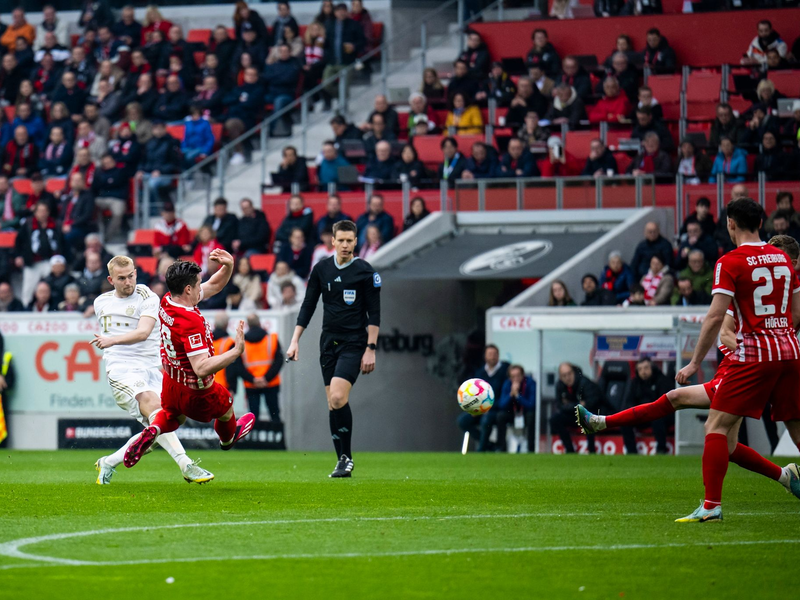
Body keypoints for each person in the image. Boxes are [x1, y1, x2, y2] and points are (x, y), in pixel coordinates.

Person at [579, 235, 800, 493]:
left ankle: (713, 505)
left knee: (717, 427)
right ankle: (785, 477)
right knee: (709, 427)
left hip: (763, 366)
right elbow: (726, 330)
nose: (766, 261)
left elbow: (789, 317)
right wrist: (748, 349)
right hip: (748, 365)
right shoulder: (749, 291)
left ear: (791, 262)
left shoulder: (781, 289)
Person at [671, 199, 800, 521]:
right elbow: (797, 313)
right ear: (760, 222)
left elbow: (715, 317)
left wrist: (693, 363)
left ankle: (711, 507)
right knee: (798, 433)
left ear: (731, 224)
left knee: (716, 426)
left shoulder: (730, 261)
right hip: (790, 351)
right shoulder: (783, 258)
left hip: (756, 356)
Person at [122, 252, 257, 469]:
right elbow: (201, 368)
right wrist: (235, 352)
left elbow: (214, 285)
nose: (201, 287)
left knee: (173, 417)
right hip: (197, 391)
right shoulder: (190, 321)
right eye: (198, 284)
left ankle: (153, 429)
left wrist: (229, 266)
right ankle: (228, 439)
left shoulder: (167, 300)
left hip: (171, 382)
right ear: (187, 289)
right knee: (227, 411)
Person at [90, 255, 213, 484]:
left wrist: (112, 340)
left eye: (131, 276)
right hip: (121, 369)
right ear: (110, 279)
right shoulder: (101, 303)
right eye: (121, 278)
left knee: (172, 420)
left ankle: (108, 462)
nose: (128, 282)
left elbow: (144, 332)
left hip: (153, 369)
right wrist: (113, 345)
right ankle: (187, 465)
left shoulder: (147, 295)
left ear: (136, 272)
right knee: (156, 409)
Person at [286, 220, 381, 477]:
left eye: (351, 241)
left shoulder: (365, 271)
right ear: (333, 242)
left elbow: (375, 313)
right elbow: (308, 306)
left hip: (354, 343)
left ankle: (346, 457)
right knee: (332, 403)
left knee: (338, 397)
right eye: (342, 240)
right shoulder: (321, 269)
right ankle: (342, 462)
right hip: (328, 342)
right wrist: (295, 340)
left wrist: (370, 348)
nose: (346, 245)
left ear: (355, 243)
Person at [228, 313, 284, 423]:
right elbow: (279, 361)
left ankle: (254, 439)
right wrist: (266, 378)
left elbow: (239, 367)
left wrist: (253, 379)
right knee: (275, 414)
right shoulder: (272, 339)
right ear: (259, 323)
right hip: (271, 383)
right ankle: (277, 438)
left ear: (248, 325)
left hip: (251, 385)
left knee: (253, 417)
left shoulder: (241, 343)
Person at [457, 344, 510, 452]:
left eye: (495, 354)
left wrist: (488, 406)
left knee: (486, 420)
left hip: (497, 409)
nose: (493, 357)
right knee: (462, 421)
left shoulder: (505, 371)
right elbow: (475, 393)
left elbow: (505, 394)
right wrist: (474, 407)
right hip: (481, 409)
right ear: (485, 356)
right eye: (490, 354)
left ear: (498, 356)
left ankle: (481, 449)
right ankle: (490, 446)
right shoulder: (480, 372)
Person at [551, 363, 602, 454]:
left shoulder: (584, 383)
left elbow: (592, 402)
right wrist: (578, 404)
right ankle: (570, 450)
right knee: (554, 419)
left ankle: (592, 451)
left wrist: (569, 405)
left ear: (574, 372)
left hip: (589, 414)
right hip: (573, 414)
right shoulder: (560, 386)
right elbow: (559, 405)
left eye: (569, 374)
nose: (567, 377)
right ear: (560, 377)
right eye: (564, 375)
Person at [494, 365, 536, 453]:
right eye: (513, 377)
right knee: (500, 416)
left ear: (523, 375)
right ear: (510, 377)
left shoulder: (530, 383)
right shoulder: (507, 384)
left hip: (525, 413)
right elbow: (501, 405)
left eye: (518, 375)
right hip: (512, 413)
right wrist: (511, 394)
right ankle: (501, 448)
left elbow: (531, 404)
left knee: (531, 416)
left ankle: (531, 448)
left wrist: (518, 396)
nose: (516, 379)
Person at [92, 154, 129, 241]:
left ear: (114, 161)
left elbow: (116, 181)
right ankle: (99, 234)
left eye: (109, 162)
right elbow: (95, 186)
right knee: (91, 206)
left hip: (117, 199)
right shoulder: (99, 172)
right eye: (105, 163)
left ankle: (107, 237)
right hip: (102, 199)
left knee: (118, 212)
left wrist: (107, 183)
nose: (108, 164)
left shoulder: (121, 171)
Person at [181, 106, 215, 170]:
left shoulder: (205, 124)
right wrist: (183, 147)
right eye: (193, 114)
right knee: (179, 155)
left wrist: (205, 151)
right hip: (190, 148)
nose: (195, 116)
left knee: (188, 157)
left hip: (201, 148)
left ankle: (193, 172)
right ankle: (188, 173)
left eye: (196, 114)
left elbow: (210, 139)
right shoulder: (188, 124)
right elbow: (185, 138)